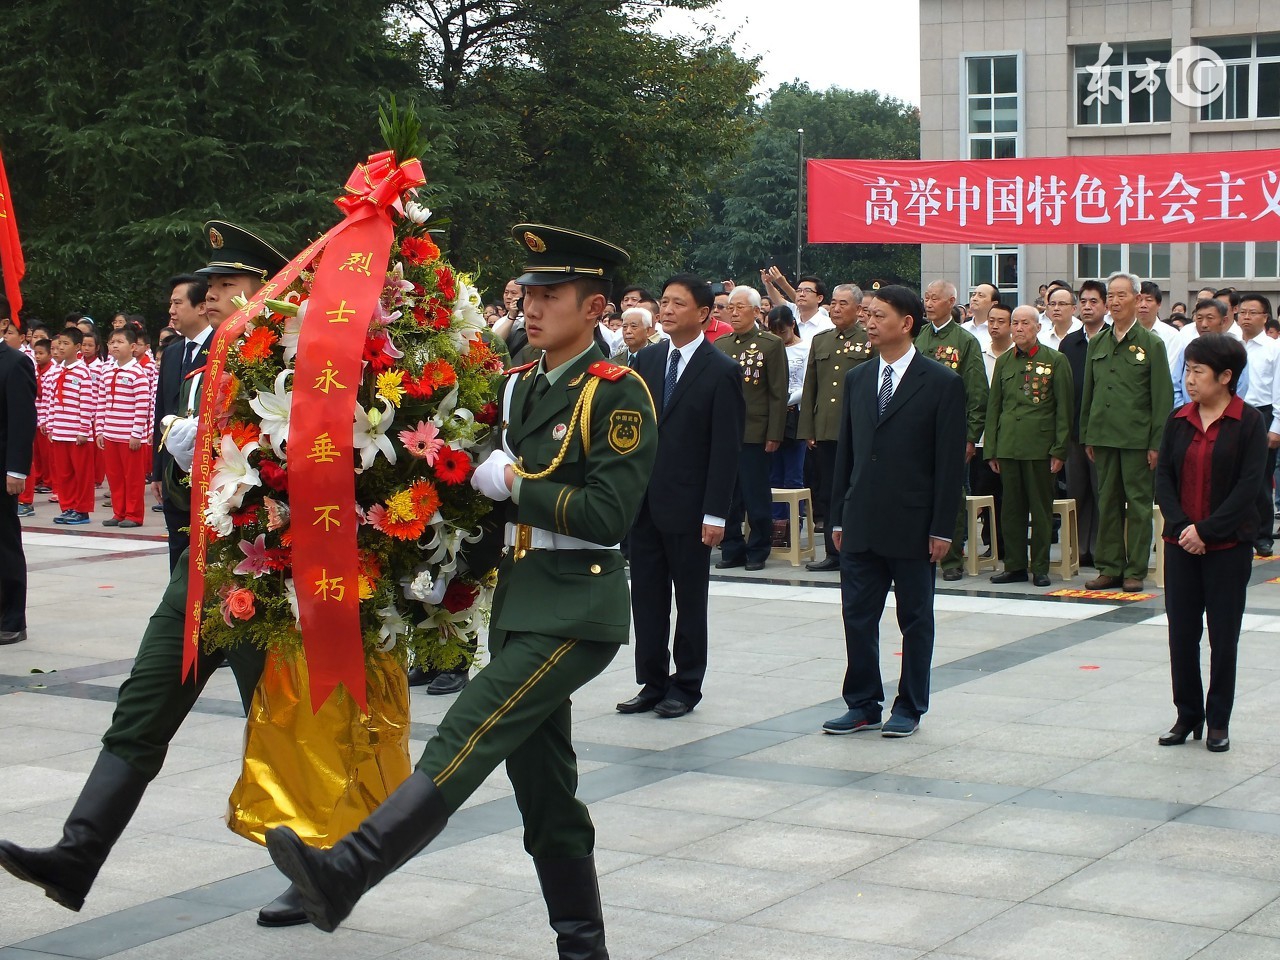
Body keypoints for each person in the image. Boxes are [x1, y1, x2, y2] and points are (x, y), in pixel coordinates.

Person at [266, 224, 658, 954]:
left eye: (552, 295)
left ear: (596, 306)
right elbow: (469, 479)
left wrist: (516, 482)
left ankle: (347, 870)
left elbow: (608, 515)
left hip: (576, 606)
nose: (533, 308)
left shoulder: (617, 393)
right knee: (546, 793)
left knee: (467, 729)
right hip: (521, 601)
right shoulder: (520, 386)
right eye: (529, 295)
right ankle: (584, 947)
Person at [0, 222, 308, 928]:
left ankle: (313, 867)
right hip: (200, 571)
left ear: (271, 293)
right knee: (140, 709)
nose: (214, 300)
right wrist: (180, 451)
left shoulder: (301, 369)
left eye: (233, 287)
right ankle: (77, 854)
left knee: (280, 728)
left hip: (267, 580)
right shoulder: (206, 370)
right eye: (214, 289)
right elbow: (185, 475)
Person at [822, 285, 966, 738]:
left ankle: (909, 705)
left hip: (913, 521)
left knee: (915, 618)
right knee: (857, 616)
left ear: (906, 323)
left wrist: (943, 527)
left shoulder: (941, 382)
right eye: (867, 314)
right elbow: (847, 453)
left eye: (879, 315)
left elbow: (947, 465)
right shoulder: (859, 378)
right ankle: (862, 702)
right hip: (862, 517)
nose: (869, 321)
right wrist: (839, 515)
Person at [621, 273, 744, 719]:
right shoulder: (646, 361)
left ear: (704, 313)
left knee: (690, 600)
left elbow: (726, 448)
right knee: (647, 598)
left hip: (693, 508)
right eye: (664, 303)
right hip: (646, 503)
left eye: (677, 304)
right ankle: (651, 682)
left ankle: (686, 685)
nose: (666, 310)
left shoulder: (722, 369)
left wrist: (716, 512)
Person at [1155, 334, 1264, 755]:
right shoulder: (1179, 418)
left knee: (1223, 636)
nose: (1190, 379)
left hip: (1228, 546)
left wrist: (1208, 531)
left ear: (1225, 376)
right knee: (1181, 634)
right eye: (1188, 370)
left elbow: (1249, 486)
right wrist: (1184, 528)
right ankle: (1187, 715)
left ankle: (1218, 720)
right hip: (1181, 543)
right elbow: (1164, 477)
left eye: (1198, 371)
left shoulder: (1248, 422)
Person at [1080, 272, 1174, 592]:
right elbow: (1089, 393)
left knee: (1137, 505)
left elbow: (1162, 398)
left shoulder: (1151, 344)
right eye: (1111, 295)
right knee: (1107, 501)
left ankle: (1135, 569)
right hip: (1103, 436)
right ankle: (1110, 567)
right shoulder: (1099, 343)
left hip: (1136, 439)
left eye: (1122, 295)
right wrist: (1088, 434)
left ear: (1138, 299)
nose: (1115, 301)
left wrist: (1156, 443)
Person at [985, 305, 1073, 586]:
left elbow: (1064, 408)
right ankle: (1014, 565)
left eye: (1025, 323)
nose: (1019, 328)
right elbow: (994, 407)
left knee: (1041, 508)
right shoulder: (1004, 362)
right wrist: (992, 449)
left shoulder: (1055, 360)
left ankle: (1040, 566)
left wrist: (1059, 449)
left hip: (1039, 446)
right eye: (1016, 323)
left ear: (1037, 327)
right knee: (1011, 509)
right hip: (1009, 446)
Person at [798, 283, 874, 571]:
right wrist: (809, 429)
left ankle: (858, 549)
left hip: (856, 429)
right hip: (826, 428)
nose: (837, 308)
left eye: (844, 303)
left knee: (856, 490)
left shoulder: (869, 340)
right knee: (829, 491)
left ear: (858, 309)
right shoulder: (821, 340)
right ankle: (833, 552)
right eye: (833, 302)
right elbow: (811, 387)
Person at [917, 279, 988, 581]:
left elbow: (976, 390)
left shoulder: (964, 340)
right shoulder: (916, 336)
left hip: (950, 432)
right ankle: (918, 551)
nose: (929, 303)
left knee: (952, 495)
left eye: (935, 298)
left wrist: (971, 435)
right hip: (916, 432)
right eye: (927, 298)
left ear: (951, 302)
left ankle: (951, 558)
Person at [715, 285, 787, 571]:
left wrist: (774, 433)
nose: (734, 313)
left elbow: (778, 392)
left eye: (740, 307)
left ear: (757, 311)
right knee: (728, 495)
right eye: (730, 307)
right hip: (725, 432)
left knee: (755, 495)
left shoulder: (770, 344)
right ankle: (731, 548)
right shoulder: (721, 345)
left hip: (755, 432)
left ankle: (758, 549)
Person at [153, 272, 211, 569]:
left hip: (206, 469)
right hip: (173, 473)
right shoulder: (173, 352)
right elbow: (160, 412)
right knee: (178, 547)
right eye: (170, 304)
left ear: (201, 306)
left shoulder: (221, 345)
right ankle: (181, 611)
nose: (171, 311)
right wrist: (157, 471)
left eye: (178, 303)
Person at [1059, 280, 1108, 567]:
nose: (1088, 307)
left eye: (1094, 302)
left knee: (1102, 491)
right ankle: (1080, 551)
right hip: (1075, 431)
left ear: (1104, 306)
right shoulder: (1071, 343)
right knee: (1077, 492)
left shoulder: (1113, 339)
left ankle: (1101, 549)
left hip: (1103, 433)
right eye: (1084, 302)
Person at [0, 306, 37, 645]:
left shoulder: (14, 362)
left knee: (4, 544)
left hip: (2, 470)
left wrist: (16, 469)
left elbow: (23, 420)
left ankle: (12, 619)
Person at [1236, 294, 1280, 556]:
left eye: (1253, 312)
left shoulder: (1274, 349)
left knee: (1261, 478)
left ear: (1265, 317)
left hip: (1261, 414)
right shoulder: (1231, 344)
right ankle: (1236, 528)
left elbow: (1278, 389)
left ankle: (1262, 535)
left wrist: (1276, 426)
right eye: (1242, 312)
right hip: (1232, 413)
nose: (1246, 317)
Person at [96, 327, 151, 528]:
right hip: (110, 434)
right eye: (112, 342)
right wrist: (100, 429)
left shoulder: (138, 373)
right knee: (115, 477)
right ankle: (118, 513)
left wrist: (137, 433)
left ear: (133, 346)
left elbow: (143, 405)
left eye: (120, 342)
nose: (115, 346)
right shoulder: (107, 370)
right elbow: (101, 401)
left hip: (130, 436)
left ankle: (134, 515)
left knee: (133, 478)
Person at [43, 327, 95, 525]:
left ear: (78, 347)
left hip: (77, 434)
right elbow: (52, 400)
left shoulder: (83, 372)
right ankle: (67, 506)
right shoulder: (58, 370)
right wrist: (51, 425)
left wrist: (83, 430)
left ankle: (82, 510)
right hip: (60, 432)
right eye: (59, 344)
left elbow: (86, 403)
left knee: (81, 474)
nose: (61, 347)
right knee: (63, 473)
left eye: (66, 344)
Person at [766, 306, 809, 542]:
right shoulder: (769, 348)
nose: (779, 337)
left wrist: (783, 400)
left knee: (793, 475)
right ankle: (776, 525)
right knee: (773, 475)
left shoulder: (805, 348)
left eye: (782, 331)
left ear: (792, 324)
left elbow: (807, 383)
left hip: (794, 413)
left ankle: (793, 526)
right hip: (772, 416)